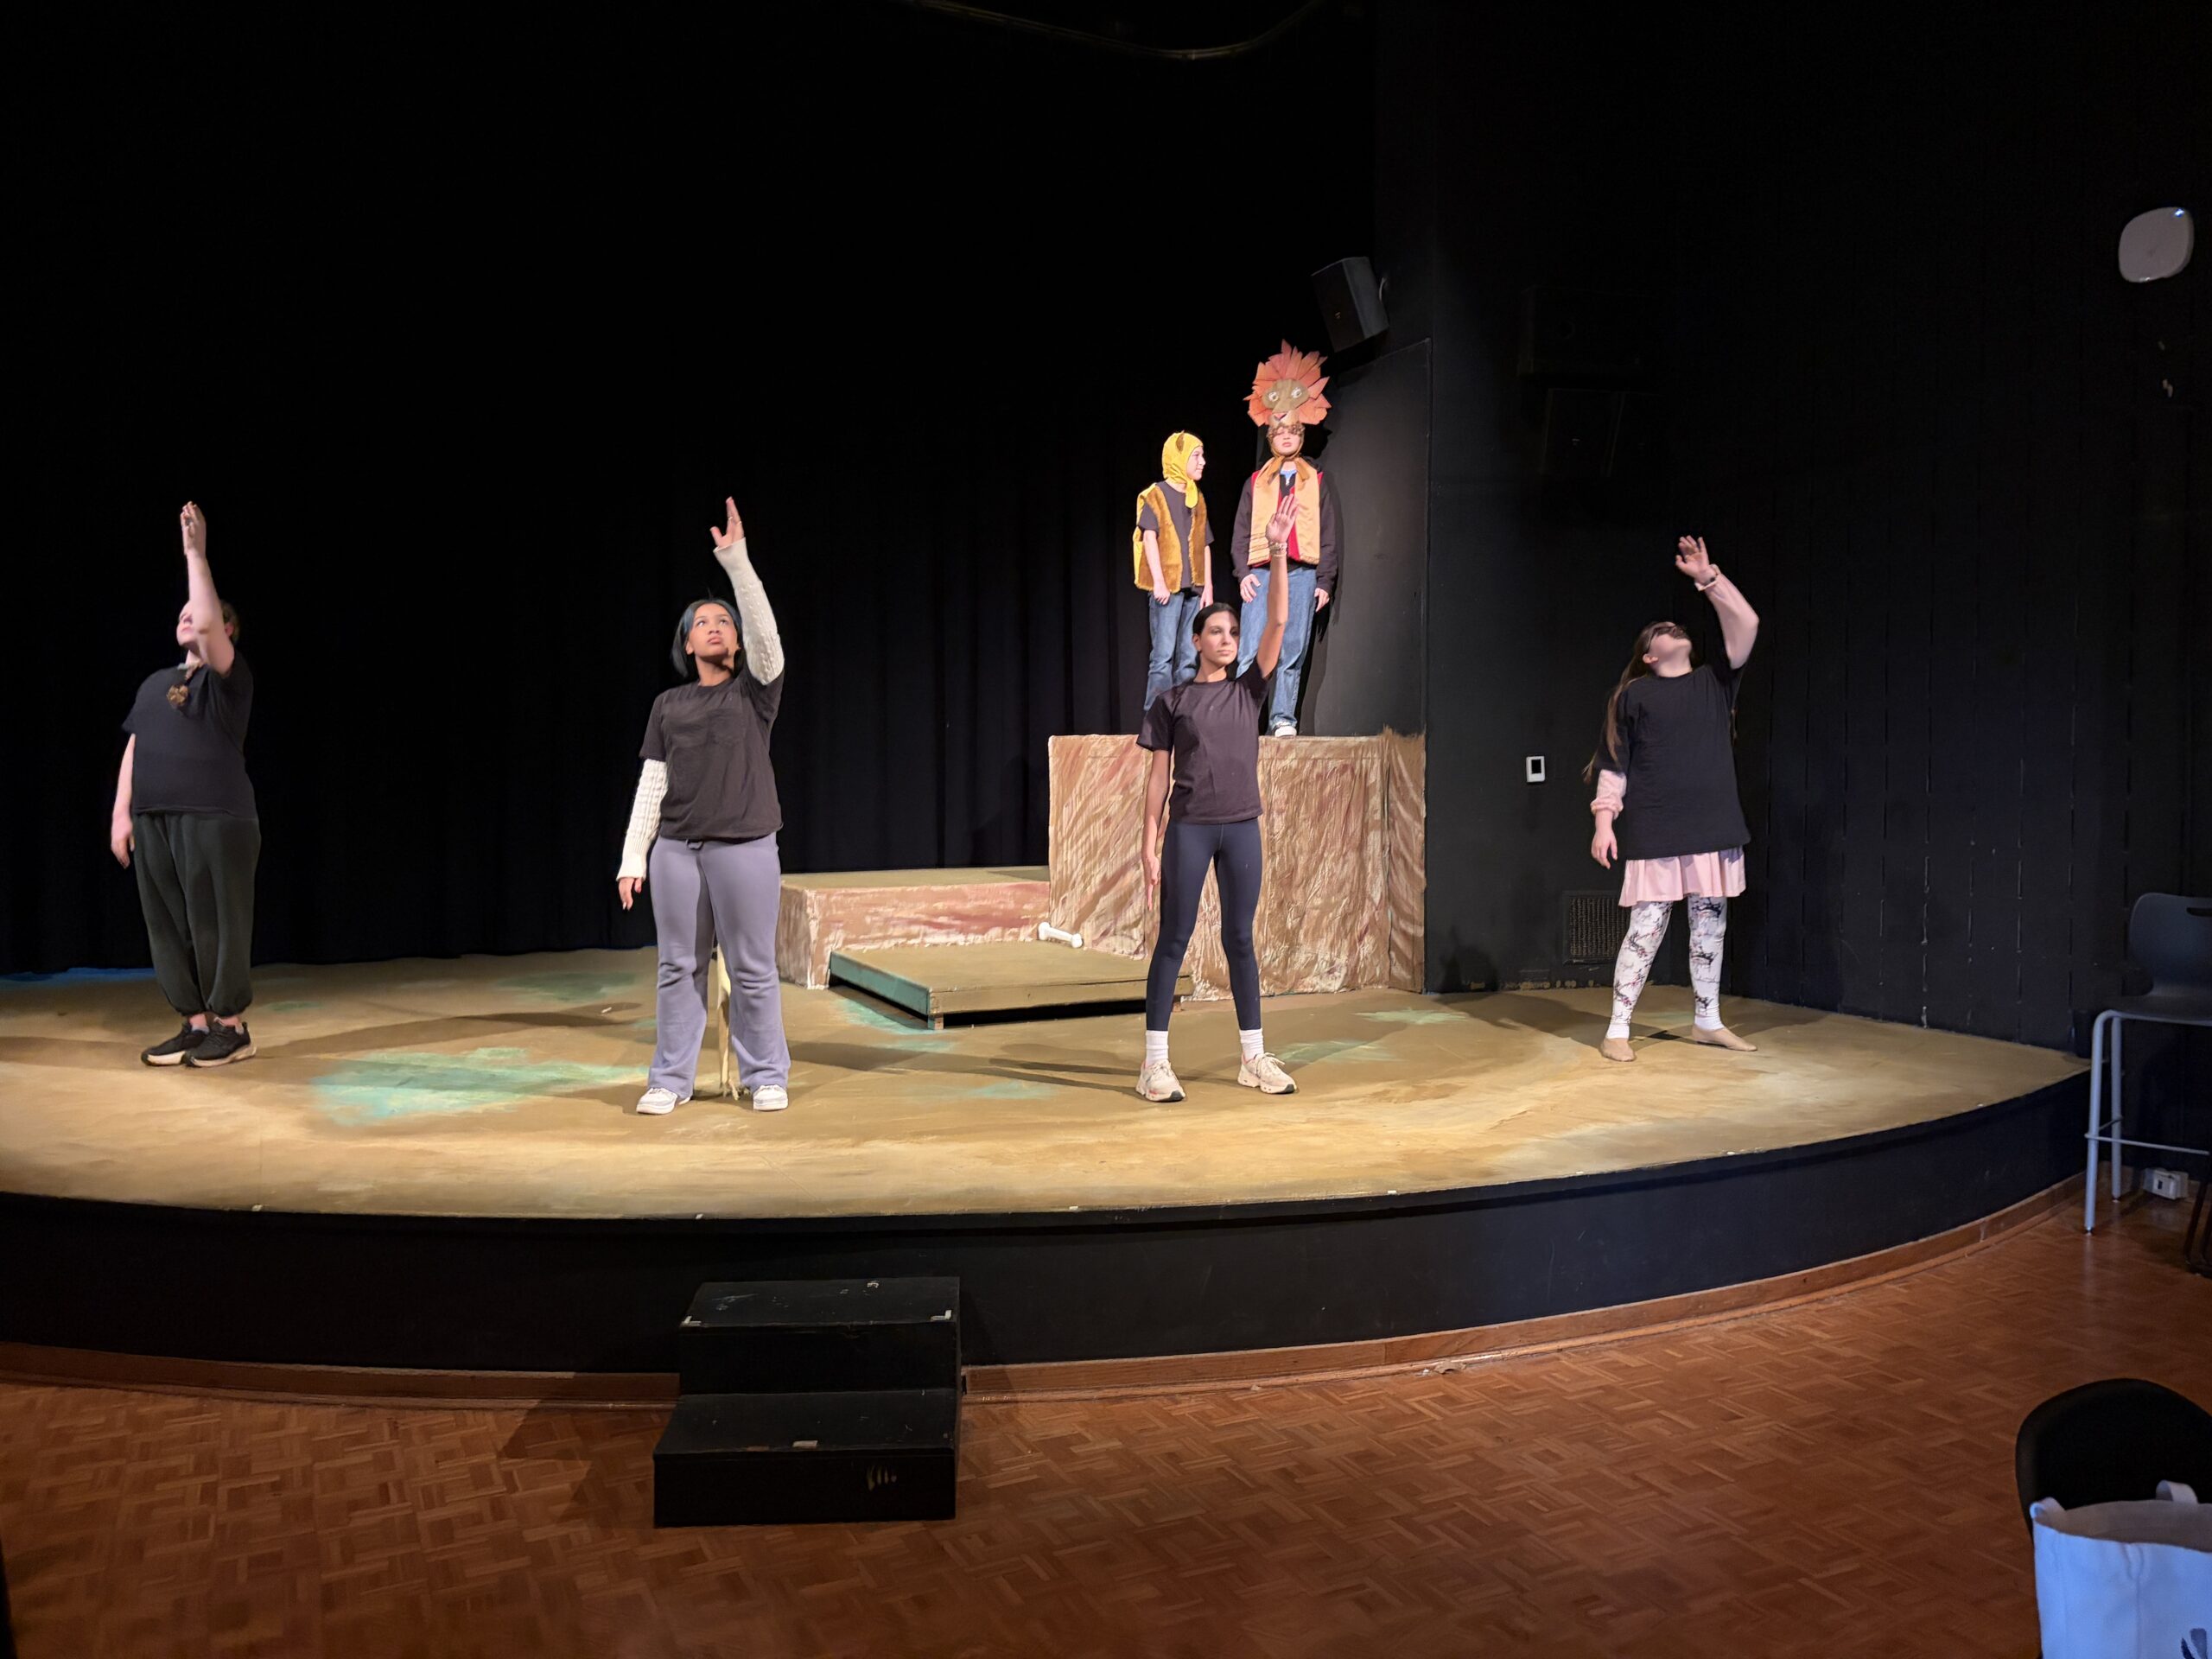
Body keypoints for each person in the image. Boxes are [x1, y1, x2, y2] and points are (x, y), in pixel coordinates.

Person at [616, 497, 792, 1116]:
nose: (715, 627)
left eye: (724, 621)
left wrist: (736, 562)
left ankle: (766, 1074)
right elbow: (652, 783)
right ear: (687, 644)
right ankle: (669, 1079)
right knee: (676, 967)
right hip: (677, 852)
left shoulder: (754, 693)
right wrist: (633, 857)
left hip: (744, 846)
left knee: (752, 968)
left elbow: (768, 639)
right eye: (702, 623)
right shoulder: (669, 706)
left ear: (738, 643)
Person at [1133, 493, 1301, 1102]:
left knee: (1240, 941)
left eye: (1233, 632)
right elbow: (1157, 778)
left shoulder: (1248, 691)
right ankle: (1155, 1064)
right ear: (1197, 639)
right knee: (1173, 939)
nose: (1228, 638)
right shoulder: (1172, 702)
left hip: (1242, 828)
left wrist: (1277, 552)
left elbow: (1277, 624)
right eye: (1217, 631)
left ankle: (1253, 1058)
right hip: (1190, 830)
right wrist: (1148, 842)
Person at [1586, 535, 1761, 1062]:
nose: (1674, 629)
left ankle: (1708, 1020)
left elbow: (1747, 624)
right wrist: (1604, 821)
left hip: (1712, 823)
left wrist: (1709, 579)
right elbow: (1615, 762)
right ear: (1649, 655)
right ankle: (1618, 1028)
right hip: (1658, 826)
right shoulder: (1634, 695)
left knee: (1710, 924)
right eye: (1662, 630)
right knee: (1647, 927)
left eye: (1677, 626)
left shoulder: (1716, 682)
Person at [111, 502, 260, 1067]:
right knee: (168, 924)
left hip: (215, 817)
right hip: (154, 818)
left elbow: (206, 623)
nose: (187, 618)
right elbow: (135, 746)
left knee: (217, 920)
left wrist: (195, 554)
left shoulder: (229, 680)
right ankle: (195, 1025)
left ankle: (231, 1027)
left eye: (198, 613)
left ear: (226, 630)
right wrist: (121, 814)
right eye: (183, 613)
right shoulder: (155, 683)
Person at [1229, 341, 1341, 737]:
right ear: (1272, 438)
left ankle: (1282, 719)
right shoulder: (1257, 482)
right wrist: (1242, 572)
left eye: (1293, 431)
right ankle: (1244, 719)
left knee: (1293, 648)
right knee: (1251, 649)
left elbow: (1328, 535)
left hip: (1301, 574)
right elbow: (1241, 531)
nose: (1287, 438)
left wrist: (1325, 579)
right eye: (1280, 433)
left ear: (1301, 435)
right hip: (1261, 572)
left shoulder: (1316, 481)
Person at [1135, 431, 1213, 710]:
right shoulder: (1155, 495)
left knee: (1189, 658)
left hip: (1194, 588)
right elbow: (1149, 538)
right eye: (1196, 456)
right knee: (1163, 658)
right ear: (1178, 458)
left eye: (1202, 455)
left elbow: (1204, 543)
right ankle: (1156, 717)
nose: (1202, 461)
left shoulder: (1196, 497)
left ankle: (1183, 716)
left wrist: (1208, 586)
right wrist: (1158, 581)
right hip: (1167, 587)